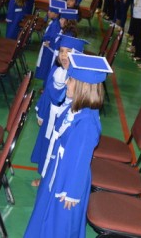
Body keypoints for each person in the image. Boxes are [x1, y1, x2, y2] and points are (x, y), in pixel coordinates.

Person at [24, 53, 113, 238]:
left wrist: (71, 191)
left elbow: (81, 159)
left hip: (68, 180)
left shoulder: (87, 122)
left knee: (59, 223)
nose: (66, 83)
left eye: (70, 80)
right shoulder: (76, 107)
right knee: (45, 213)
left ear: (83, 87)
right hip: (60, 171)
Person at [31, 35, 89, 186]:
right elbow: (47, 95)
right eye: (61, 51)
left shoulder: (78, 79)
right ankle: (43, 178)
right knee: (46, 148)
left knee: (57, 153)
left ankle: (52, 181)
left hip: (64, 122)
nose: (64, 55)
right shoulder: (55, 71)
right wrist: (42, 112)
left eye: (68, 52)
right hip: (51, 115)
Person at [35, 0, 67, 85]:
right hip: (48, 48)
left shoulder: (56, 25)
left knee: (47, 68)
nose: (48, 12)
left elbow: (51, 38)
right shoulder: (53, 22)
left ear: (56, 14)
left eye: (51, 11)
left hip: (50, 50)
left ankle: (45, 85)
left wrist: (47, 41)